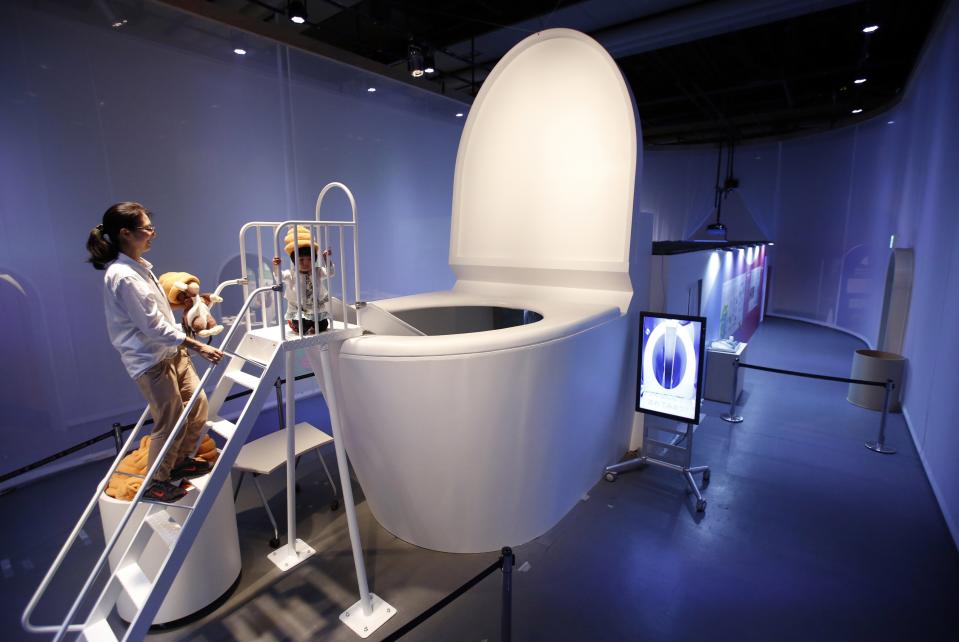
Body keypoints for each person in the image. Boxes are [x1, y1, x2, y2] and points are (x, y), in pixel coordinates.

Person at [87, 202, 224, 503]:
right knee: (170, 419)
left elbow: (157, 316)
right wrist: (196, 344)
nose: (152, 233)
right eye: (147, 228)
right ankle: (155, 481)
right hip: (150, 360)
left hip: (169, 351)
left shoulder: (140, 269)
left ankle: (176, 462)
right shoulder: (123, 276)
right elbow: (152, 327)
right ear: (125, 233)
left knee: (196, 405)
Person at [272, 226, 335, 335]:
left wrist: (327, 260)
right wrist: (276, 266)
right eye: (301, 260)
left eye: (310, 259)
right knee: (301, 326)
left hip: (315, 309)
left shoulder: (317, 271)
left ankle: (313, 325)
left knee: (324, 325)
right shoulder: (291, 274)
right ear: (294, 261)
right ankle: (293, 323)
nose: (305, 263)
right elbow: (279, 277)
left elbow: (330, 273)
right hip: (298, 310)